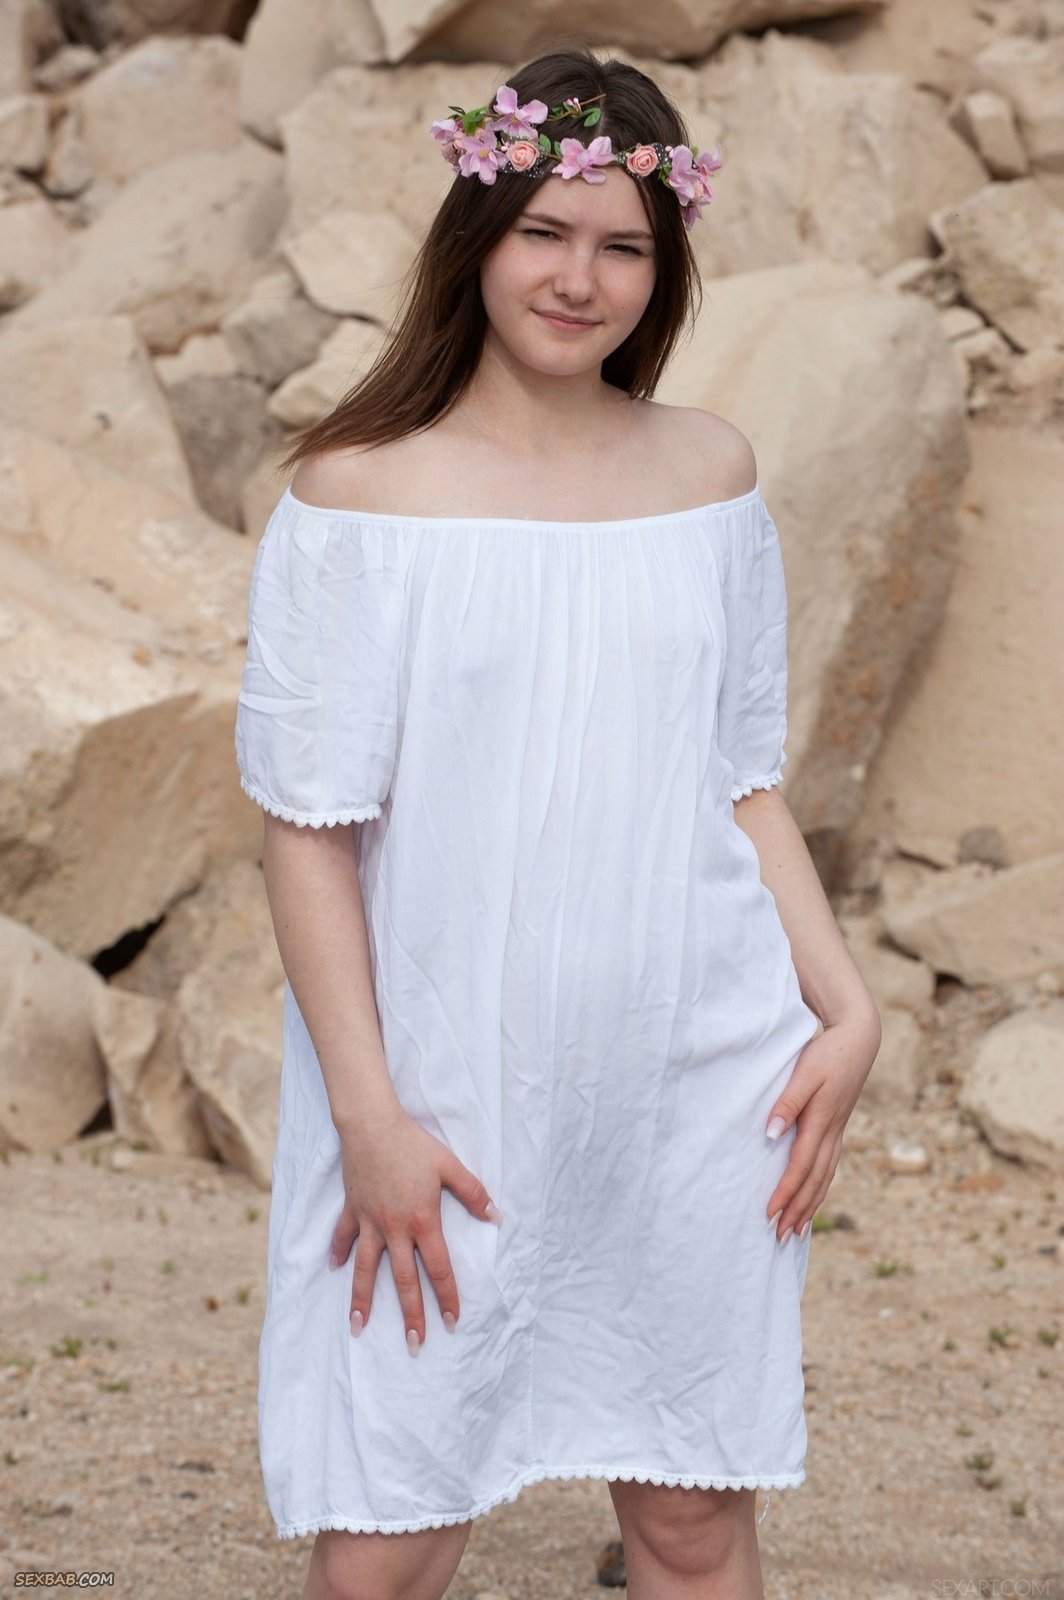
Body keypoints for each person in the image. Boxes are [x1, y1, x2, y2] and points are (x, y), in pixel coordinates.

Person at [233, 41, 882, 1600]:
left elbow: (739, 777)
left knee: (690, 1524)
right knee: (392, 1539)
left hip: (696, 1082)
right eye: (545, 231)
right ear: (478, 231)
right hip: (445, 1096)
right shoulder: (358, 494)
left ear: (666, 270)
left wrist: (848, 1007)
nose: (580, 280)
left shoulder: (711, 475)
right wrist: (371, 1119)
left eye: (624, 248)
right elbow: (308, 830)